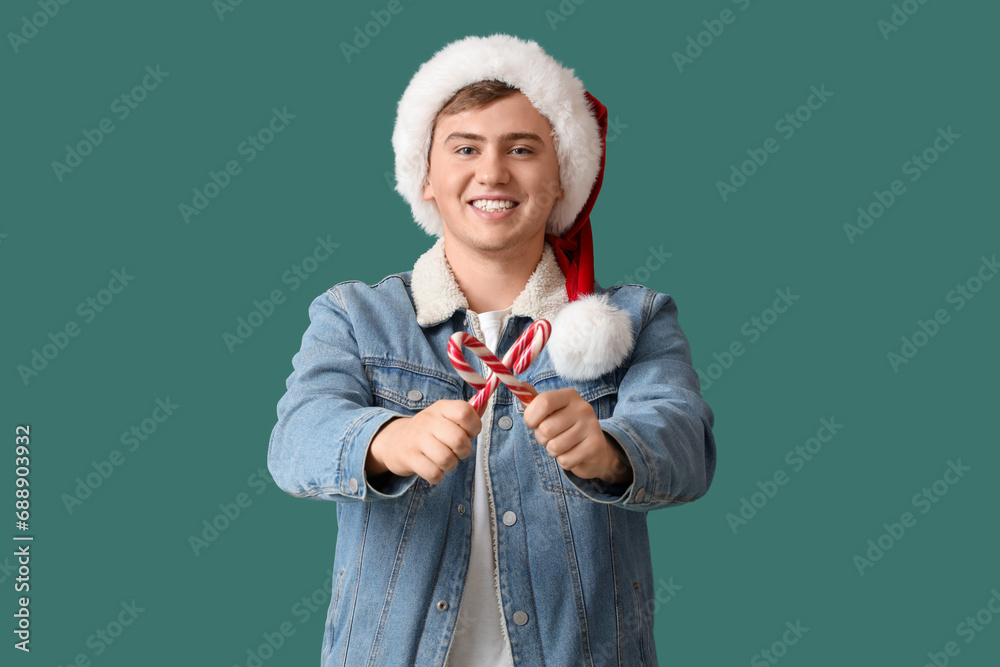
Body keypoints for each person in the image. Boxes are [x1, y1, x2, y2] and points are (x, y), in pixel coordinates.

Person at [267, 33, 717, 667]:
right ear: (425, 175)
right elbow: (295, 441)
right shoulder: (355, 317)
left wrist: (612, 450)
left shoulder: (633, 320)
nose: (493, 172)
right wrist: (385, 441)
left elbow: (686, 444)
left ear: (564, 178)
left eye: (523, 148)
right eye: (465, 148)